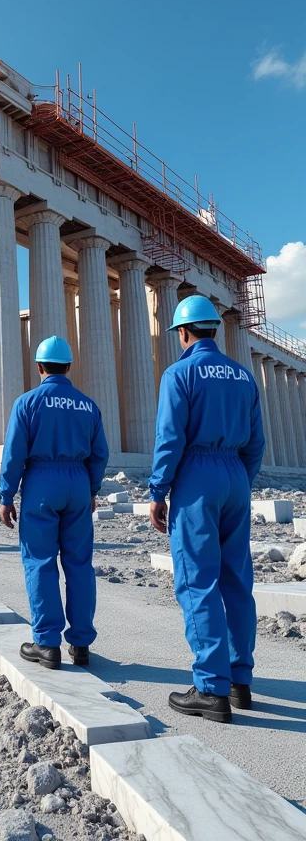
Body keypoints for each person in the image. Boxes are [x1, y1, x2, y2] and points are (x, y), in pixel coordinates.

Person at [149, 295, 264, 723]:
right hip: (236, 474)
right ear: (214, 329)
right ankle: (240, 682)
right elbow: (256, 443)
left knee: (198, 580)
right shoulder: (243, 376)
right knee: (236, 579)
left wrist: (158, 491)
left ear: (183, 332)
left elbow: (170, 437)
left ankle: (210, 689)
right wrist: (239, 483)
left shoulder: (179, 373)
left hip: (198, 476)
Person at [0, 336, 108, 671]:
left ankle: (47, 645)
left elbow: (14, 454)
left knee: (41, 563)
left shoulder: (28, 403)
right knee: (79, 564)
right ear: (69, 367)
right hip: (77, 483)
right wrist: (91, 489)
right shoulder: (88, 405)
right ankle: (81, 643)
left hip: (42, 483)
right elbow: (100, 454)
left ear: (39, 367)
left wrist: (6, 496)